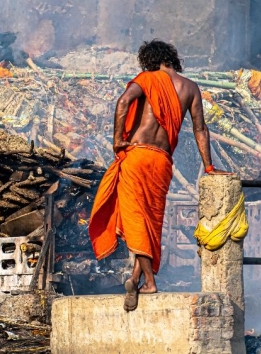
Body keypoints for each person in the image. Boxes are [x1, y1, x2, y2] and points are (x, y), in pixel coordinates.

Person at [88, 39, 229, 312]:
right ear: (171, 58)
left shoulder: (147, 79)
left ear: (149, 61)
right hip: (162, 162)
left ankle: (149, 281)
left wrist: (118, 140)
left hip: (138, 156)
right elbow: (201, 129)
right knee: (151, 221)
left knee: (136, 220)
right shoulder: (190, 88)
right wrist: (209, 166)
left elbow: (123, 102)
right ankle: (134, 278)